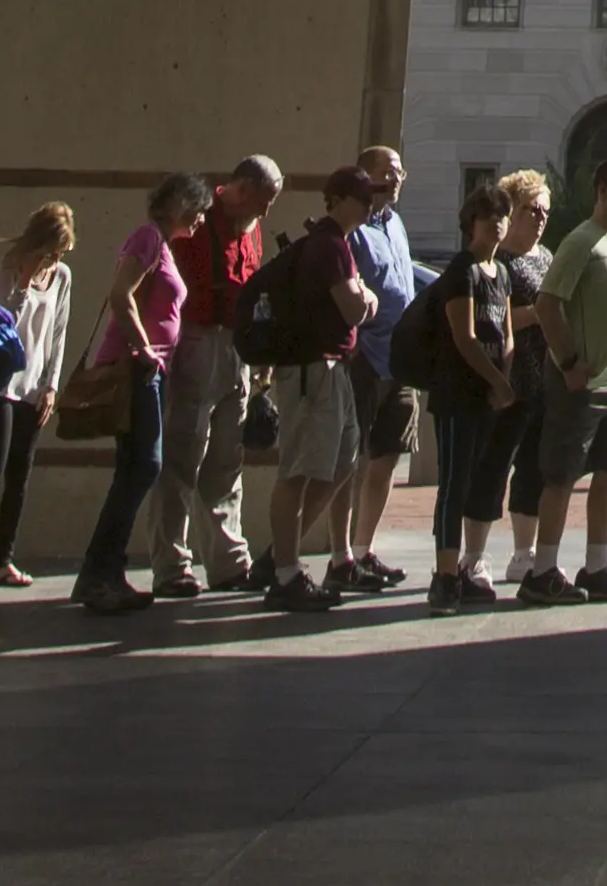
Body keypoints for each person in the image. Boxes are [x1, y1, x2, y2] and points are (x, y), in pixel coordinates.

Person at [516, 153, 607, 605]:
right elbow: (549, 305)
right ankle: (542, 571)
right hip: (581, 386)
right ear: (603, 191)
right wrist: (569, 361)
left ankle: (596, 567)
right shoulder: (581, 242)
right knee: (562, 475)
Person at [70, 171, 204, 616]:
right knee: (144, 465)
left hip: (149, 370)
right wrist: (144, 349)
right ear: (178, 204)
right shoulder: (147, 237)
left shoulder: (161, 244)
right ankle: (98, 573)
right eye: (198, 209)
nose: (202, 218)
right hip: (135, 368)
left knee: (136, 468)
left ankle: (106, 572)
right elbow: (120, 294)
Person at [250, 167, 376, 615]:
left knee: (339, 463)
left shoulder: (337, 246)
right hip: (311, 370)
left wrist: (362, 297)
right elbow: (355, 307)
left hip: (331, 369)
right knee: (299, 470)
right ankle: (285, 572)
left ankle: (282, 556)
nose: (370, 205)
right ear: (337, 198)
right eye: (362, 197)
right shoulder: (328, 247)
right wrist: (366, 299)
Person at [154, 156, 278, 597]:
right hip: (197, 341)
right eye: (262, 201)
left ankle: (229, 561)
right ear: (241, 188)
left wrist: (260, 352)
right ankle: (172, 564)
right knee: (184, 457)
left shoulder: (252, 228)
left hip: (237, 348)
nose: (265, 213)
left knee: (228, 460)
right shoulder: (199, 218)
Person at [424, 170, 545, 607]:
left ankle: (464, 570)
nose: (495, 223)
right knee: (456, 484)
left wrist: (505, 375)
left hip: (493, 393)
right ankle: (446, 574)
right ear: (469, 223)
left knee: (478, 475)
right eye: (486, 216)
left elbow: (507, 333)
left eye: (501, 215)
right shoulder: (463, 270)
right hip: (460, 393)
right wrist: (497, 380)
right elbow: (465, 337)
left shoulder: (501, 273)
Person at [0, 201, 77, 589]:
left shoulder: (61, 276)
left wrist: (51, 384)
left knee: (19, 476)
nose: (54, 259)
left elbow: (58, 333)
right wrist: (25, 284)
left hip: (32, 388)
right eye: (50, 251)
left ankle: (3, 560)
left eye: (60, 253)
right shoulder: (5, 269)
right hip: (1, 382)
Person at [334, 143, 426, 597]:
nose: (397, 178)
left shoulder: (396, 224)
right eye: (388, 171)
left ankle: (364, 546)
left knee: (387, 458)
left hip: (403, 360)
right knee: (351, 459)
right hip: (364, 360)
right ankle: (341, 556)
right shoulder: (352, 230)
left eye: (400, 171)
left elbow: (405, 276)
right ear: (364, 175)